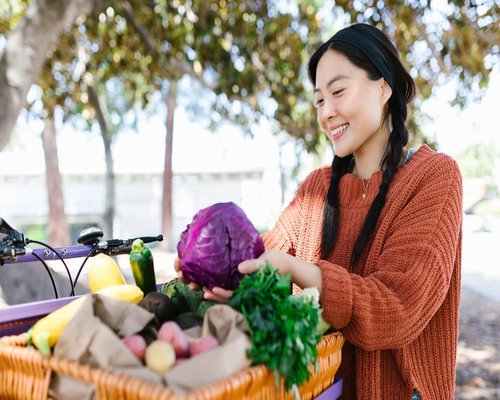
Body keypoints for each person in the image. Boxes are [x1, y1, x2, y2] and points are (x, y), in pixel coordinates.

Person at [176, 23, 463, 400]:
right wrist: (216, 271)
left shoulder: (433, 178)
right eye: (318, 100)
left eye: (338, 92)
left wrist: (300, 271)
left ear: (384, 87)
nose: (327, 113)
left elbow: (398, 307)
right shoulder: (316, 188)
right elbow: (262, 258)